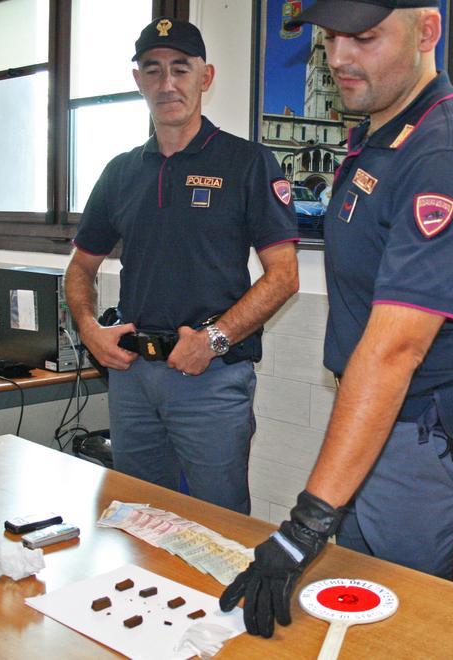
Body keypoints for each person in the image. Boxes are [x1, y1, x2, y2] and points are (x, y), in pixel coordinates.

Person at [220, 0, 453, 637]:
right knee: (354, 609)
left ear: (427, 31)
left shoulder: (449, 150)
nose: (339, 59)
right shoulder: (384, 134)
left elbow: (394, 351)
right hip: (385, 424)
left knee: (402, 629)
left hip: (430, 438)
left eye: (363, 37)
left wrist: (306, 522)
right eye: (331, 39)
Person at [65, 17, 299, 515]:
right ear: (138, 81)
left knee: (219, 524)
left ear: (205, 77)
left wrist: (213, 340)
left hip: (209, 377)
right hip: (131, 377)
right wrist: (89, 329)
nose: (166, 84)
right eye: (153, 71)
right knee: (137, 518)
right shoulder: (121, 172)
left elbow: (284, 276)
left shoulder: (248, 163)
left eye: (180, 69)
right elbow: (79, 268)